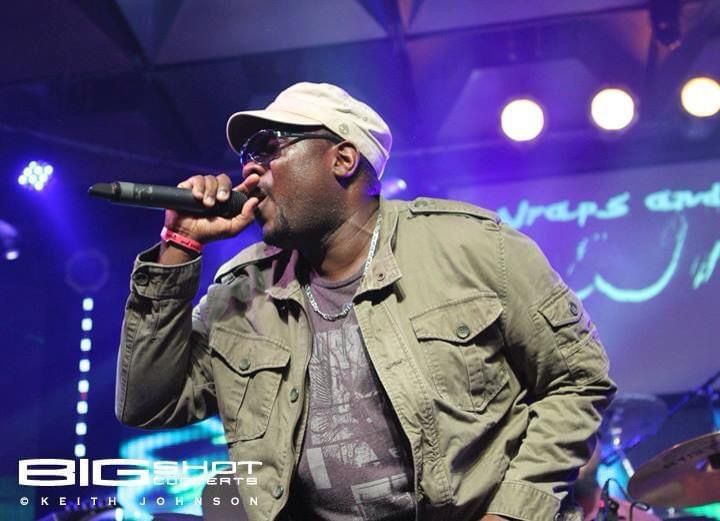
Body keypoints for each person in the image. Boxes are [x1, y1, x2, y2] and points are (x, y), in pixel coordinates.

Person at [115, 82, 616, 521]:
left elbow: (578, 380)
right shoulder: (242, 292)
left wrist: (512, 511)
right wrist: (179, 246)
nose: (249, 170)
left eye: (270, 148)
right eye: (248, 155)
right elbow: (147, 406)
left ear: (343, 159)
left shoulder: (474, 248)